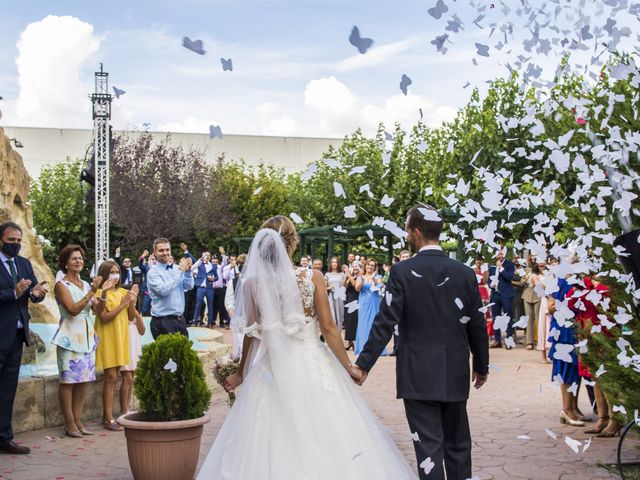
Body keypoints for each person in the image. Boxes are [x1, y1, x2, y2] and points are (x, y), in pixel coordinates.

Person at [196, 216, 415, 479]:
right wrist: (349, 367)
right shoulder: (313, 277)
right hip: (313, 364)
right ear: (293, 243)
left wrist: (241, 373)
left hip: (272, 369)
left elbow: (252, 334)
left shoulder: (253, 283)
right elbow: (329, 327)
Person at [355, 205, 489, 480]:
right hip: (455, 369)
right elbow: (476, 321)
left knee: (427, 448)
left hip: (417, 372)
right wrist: (482, 364)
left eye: (407, 229)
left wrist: (363, 364)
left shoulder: (402, 271)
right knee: (459, 444)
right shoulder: (464, 272)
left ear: (416, 232)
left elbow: (385, 321)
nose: (406, 234)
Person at [0, 221, 48, 454]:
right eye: (11, 241)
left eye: (19, 241)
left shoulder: (23, 263)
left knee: (8, 390)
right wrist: (13, 293)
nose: (16, 245)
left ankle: (4, 438)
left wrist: (37, 294)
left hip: (17, 335)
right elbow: (15, 293)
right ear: (1, 240)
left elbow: (31, 294)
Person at [52, 245, 100, 438]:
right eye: (74, 258)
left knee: (83, 381)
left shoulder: (87, 284)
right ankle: (69, 423)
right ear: (65, 263)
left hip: (87, 337)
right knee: (68, 382)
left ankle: (78, 420)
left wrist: (101, 293)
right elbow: (72, 309)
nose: (79, 261)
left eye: (80, 258)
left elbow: (98, 310)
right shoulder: (61, 285)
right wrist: (92, 293)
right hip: (69, 338)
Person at [94, 260, 138, 431]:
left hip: (121, 337)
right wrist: (123, 304)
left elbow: (130, 317)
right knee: (111, 377)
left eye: (117, 271)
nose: (115, 275)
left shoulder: (122, 291)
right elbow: (103, 316)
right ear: (105, 274)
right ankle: (107, 418)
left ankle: (111, 415)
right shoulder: (98, 293)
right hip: (107, 337)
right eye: (111, 272)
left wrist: (131, 301)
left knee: (116, 376)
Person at [146, 238, 194, 339]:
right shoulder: (153, 272)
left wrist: (188, 272)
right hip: (163, 321)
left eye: (167, 250)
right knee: (168, 354)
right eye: (161, 250)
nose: (165, 253)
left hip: (180, 320)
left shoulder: (176, 268)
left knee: (184, 354)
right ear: (154, 252)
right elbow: (163, 291)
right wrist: (181, 271)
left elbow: (189, 286)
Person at [354, 258, 385, 355]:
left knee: (374, 324)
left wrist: (373, 278)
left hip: (375, 302)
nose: (370, 267)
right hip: (363, 303)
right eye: (368, 265)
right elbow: (357, 288)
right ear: (365, 266)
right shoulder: (360, 277)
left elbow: (379, 286)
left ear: (375, 268)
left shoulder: (378, 276)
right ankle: (363, 347)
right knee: (363, 324)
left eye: (372, 265)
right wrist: (362, 280)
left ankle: (375, 348)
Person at [119, 307, 145, 414]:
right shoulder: (122, 310)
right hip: (125, 344)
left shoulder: (137, 310)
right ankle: (124, 409)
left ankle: (127, 407)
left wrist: (137, 315)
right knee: (127, 377)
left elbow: (142, 330)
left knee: (132, 377)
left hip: (135, 345)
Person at [488, 249, 516, 349]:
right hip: (495, 294)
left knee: (508, 317)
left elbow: (509, 277)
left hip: (506, 294)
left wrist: (501, 268)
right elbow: (489, 280)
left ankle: (509, 339)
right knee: (496, 318)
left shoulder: (509, 265)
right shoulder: (492, 266)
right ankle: (497, 340)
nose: (499, 255)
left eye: (500, 253)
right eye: (497, 254)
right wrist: (491, 285)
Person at [224, 253, 247, 360]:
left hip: (252, 318)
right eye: (241, 264)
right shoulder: (232, 282)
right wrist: (232, 312)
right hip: (238, 318)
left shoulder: (255, 281)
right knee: (239, 345)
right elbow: (229, 300)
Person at [190, 251, 219, 327]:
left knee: (210, 305)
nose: (207, 256)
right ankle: (195, 321)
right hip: (201, 287)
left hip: (209, 288)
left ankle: (209, 323)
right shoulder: (200, 264)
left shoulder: (213, 266)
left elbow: (217, 277)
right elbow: (193, 265)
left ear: (210, 257)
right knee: (198, 304)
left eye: (209, 255)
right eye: (206, 255)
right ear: (203, 256)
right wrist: (200, 260)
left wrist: (213, 279)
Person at [522, 261, 543, 350]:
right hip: (527, 295)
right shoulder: (527, 270)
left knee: (539, 319)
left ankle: (540, 341)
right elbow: (522, 282)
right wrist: (526, 279)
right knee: (529, 319)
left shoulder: (546, 273)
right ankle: (529, 342)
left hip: (539, 296)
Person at [342, 261, 360, 351]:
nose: (354, 268)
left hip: (357, 300)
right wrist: (346, 278)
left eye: (356, 266)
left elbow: (355, 285)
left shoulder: (360, 277)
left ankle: (357, 341)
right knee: (348, 320)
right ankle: (349, 341)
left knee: (355, 320)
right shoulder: (350, 276)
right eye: (353, 266)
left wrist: (349, 275)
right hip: (348, 299)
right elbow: (343, 287)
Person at [474, 255, 492, 337]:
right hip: (475, 290)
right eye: (477, 260)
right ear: (475, 261)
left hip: (483, 290)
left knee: (486, 311)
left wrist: (484, 271)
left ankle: (487, 331)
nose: (479, 261)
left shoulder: (485, 271)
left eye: (480, 260)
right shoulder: (472, 270)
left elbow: (485, 281)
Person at [325, 256, 345, 331]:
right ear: (330, 264)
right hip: (331, 297)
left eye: (336, 262)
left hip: (339, 296)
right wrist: (330, 288)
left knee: (339, 315)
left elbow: (344, 287)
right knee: (332, 316)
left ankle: (338, 334)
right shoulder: (327, 274)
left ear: (338, 264)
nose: (334, 264)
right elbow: (324, 288)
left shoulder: (342, 274)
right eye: (332, 262)